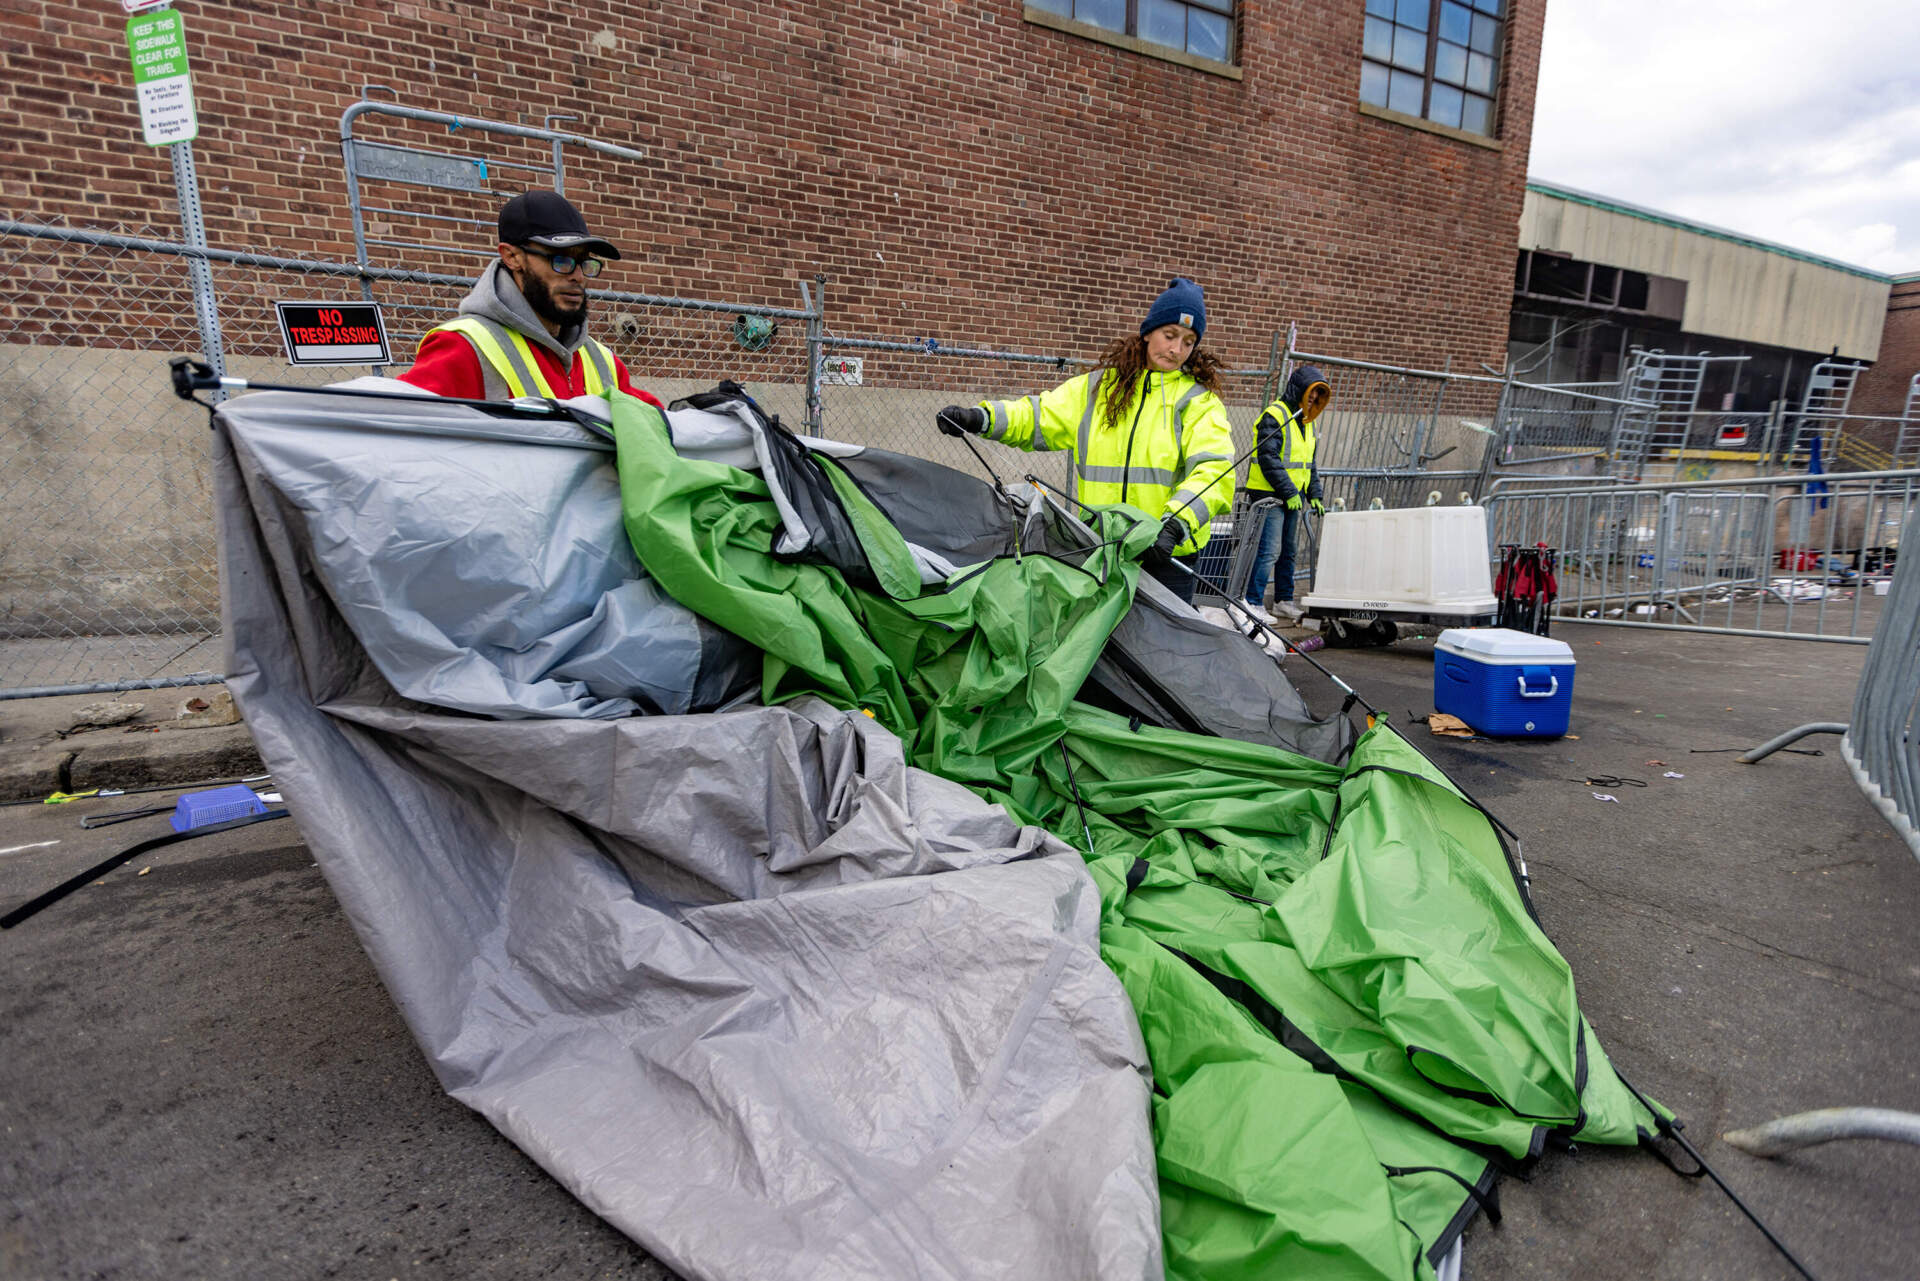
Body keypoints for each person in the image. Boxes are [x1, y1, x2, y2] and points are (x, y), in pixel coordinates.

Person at [933, 278, 1235, 604]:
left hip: (1164, 558)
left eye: (1189, 342)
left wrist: (1176, 524)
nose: (1177, 349)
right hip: (1101, 550)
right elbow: (1039, 415)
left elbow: (1214, 470)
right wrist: (981, 418)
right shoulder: (1098, 390)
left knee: (1164, 654)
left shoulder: (1198, 403)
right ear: (1149, 331)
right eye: (1170, 335)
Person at [400, 189, 662, 408]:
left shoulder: (601, 360)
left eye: (584, 262)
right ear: (512, 257)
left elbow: (655, 420)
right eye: (561, 260)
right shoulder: (463, 348)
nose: (578, 276)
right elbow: (401, 431)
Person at [1243, 364, 1332, 621]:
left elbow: (1308, 463)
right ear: (1298, 391)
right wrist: (1290, 491)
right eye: (1309, 395)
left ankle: (1283, 600)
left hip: (1293, 497)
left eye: (1317, 397)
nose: (1312, 401)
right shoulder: (1275, 415)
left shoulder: (1307, 423)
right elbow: (1268, 456)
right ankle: (1253, 602)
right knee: (1269, 549)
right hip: (1269, 495)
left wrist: (1314, 494)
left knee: (1288, 551)